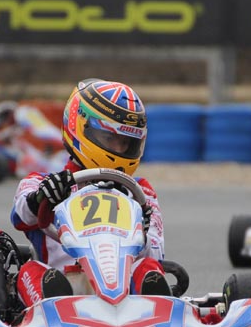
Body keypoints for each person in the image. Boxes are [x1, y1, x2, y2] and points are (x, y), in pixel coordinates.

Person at [10, 78, 169, 305]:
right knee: (30, 270)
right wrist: (42, 198)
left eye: (126, 143)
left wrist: (141, 234)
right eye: (110, 138)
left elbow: (155, 253)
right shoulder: (42, 182)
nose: (118, 149)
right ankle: (51, 307)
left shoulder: (140, 192)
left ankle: (155, 310)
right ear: (80, 127)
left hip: (124, 293)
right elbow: (21, 215)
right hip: (61, 287)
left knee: (148, 268)